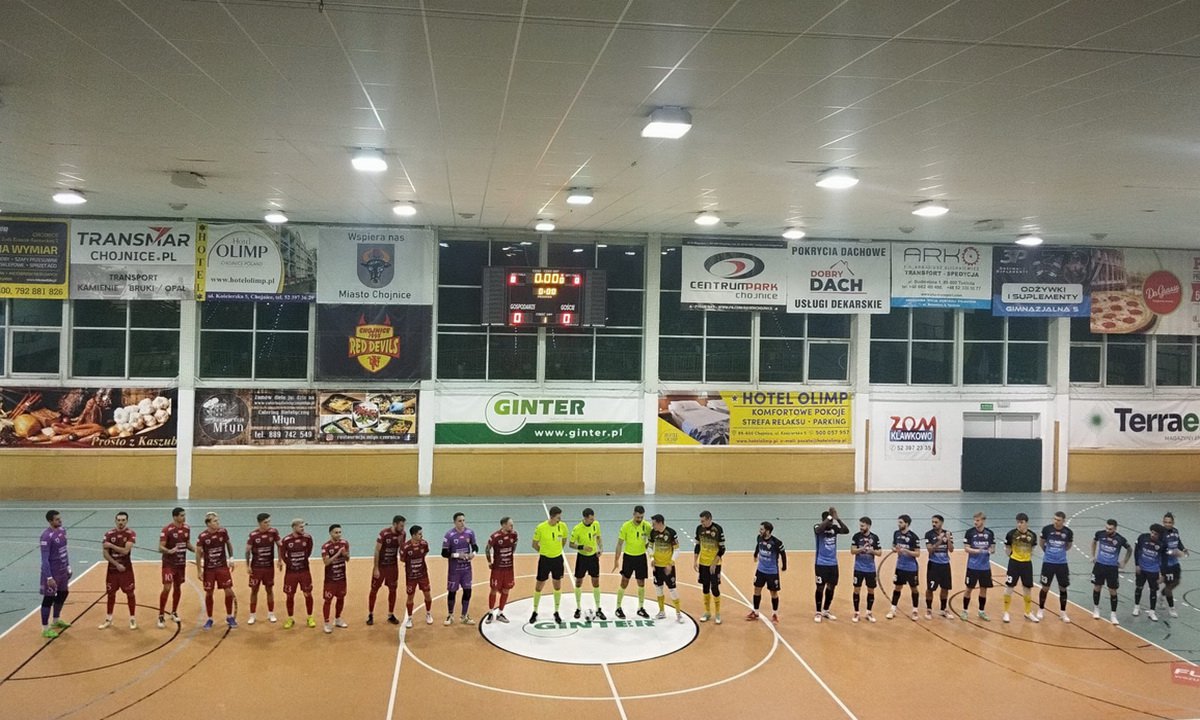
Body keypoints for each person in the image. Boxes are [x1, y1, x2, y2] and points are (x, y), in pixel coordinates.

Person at [196, 512, 237, 630]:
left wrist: (231, 558)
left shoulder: (223, 532)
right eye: (215, 521)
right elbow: (198, 554)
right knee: (209, 593)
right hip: (209, 570)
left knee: (228, 591)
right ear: (208, 524)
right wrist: (199, 570)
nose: (218, 523)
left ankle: (229, 616)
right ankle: (209, 618)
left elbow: (228, 544)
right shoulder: (202, 536)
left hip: (222, 567)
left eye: (218, 520)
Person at [531, 506, 570, 624]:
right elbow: (534, 544)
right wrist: (544, 552)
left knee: (557, 585)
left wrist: (556, 550)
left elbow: (564, 540)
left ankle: (556, 611)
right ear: (552, 517)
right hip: (544, 560)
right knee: (539, 586)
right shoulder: (541, 527)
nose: (560, 519)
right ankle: (535, 611)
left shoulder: (562, 526)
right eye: (558, 517)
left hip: (557, 559)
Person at [612, 505, 653, 620]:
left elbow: (651, 542)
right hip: (628, 557)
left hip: (641, 557)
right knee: (624, 581)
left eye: (641, 517)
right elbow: (619, 544)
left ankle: (640, 608)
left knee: (641, 583)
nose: (639, 519)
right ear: (633, 514)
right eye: (638, 517)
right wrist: (616, 560)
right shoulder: (626, 526)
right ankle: (618, 607)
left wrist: (651, 556)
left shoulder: (647, 526)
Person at [157, 506, 194, 629]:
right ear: (175, 517)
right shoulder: (167, 530)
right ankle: (161, 615)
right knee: (167, 588)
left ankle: (174, 612)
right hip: (169, 564)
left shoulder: (187, 528)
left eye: (184, 515)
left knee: (178, 587)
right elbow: (160, 547)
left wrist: (196, 551)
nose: (184, 517)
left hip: (181, 564)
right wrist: (169, 551)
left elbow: (187, 543)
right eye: (182, 515)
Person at [1090, 518, 1132, 625]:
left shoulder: (1120, 539)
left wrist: (1124, 562)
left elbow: (1129, 549)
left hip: (1112, 568)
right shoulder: (1100, 534)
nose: (1108, 530)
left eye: (1110, 529)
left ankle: (1113, 615)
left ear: (1115, 529)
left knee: (1112, 591)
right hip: (1099, 565)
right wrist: (1093, 555)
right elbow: (1094, 542)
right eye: (1107, 528)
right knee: (1097, 587)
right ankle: (1096, 609)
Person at [100, 511, 137, 629]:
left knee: (130, 593)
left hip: (126, 570)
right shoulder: (108, 534)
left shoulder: (131, 534)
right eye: (119, 520)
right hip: (112, 570)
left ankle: (132, 618)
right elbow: (105, 554)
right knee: (111, 594)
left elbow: (125, 551)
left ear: (127, 521)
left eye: (123, 520)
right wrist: (116, 564)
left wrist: (111, 546)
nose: (121, 522)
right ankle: (108, 619)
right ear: (115, 521)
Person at [812, 507, 849, 623]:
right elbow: (819, 530)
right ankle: (818, 612)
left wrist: (838, 519)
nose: (831, 523)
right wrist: (828, 518)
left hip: (833, 564)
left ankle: (826, 610)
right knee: (820, 587)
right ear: (825, 520)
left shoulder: (834, 528)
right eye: (829, 521)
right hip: (821, 563)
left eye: (832, 521)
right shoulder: (818, 527)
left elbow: (846, 530)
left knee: (831, 587)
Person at [368, 515, 406, 626]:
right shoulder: (384, 534)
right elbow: (377, 550)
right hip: (381, 566)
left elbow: (402, 552)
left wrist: (401, 544)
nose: (403, 528)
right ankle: (370, 614)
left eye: (403, 526)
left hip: (392, 567)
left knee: (393, 590)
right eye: (401, 526)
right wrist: (376, 568)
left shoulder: (402, 534)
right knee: (374, 590)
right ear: (394, 524)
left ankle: (390, 614)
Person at [39, 510, 72, 639]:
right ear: (50, 521)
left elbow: (64, 551)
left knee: (63, 593)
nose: (60, 520)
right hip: (52, 573)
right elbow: (44, 559)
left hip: (62, 571)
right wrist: (49, 577)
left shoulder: (62, 531)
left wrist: (68, 566)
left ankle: (56, 620)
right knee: (48, 599)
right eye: (57, 519)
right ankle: (45, 628)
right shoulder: (46, 536)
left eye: (60, 518)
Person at [441, 512, 478, 625]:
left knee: (468, 591)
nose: (462, 523)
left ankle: (464, 616)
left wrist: (473, 554)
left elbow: (475, 547)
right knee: (452, 592)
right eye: (460, 521)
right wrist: (458, 555)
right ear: (455, 522)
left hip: (466, 569)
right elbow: (444, 553)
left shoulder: (470, 533)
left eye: (463, 520)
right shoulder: (449, 535)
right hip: (454, 570)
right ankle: (450, 615)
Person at [245, 512, 281, 625]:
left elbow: (280, 545)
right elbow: (247, 551)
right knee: (254, 590)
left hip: (269, 567)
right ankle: (252, 615)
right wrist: (247, 566)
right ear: (260, 523)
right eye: (266, 522)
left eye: (269, 522)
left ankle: (271, 613)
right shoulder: (253, 535)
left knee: (269, 589)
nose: (268, 524)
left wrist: (280, 560)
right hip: (256, 568)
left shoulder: (273, 532)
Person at [1002, 513, 1038, 623]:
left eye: (1021, 522)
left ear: (1026, 523)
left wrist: (1026, 557)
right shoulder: (1011, 534)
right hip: (1014, 563)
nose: (1019, 524)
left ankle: (1028, 612)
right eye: (1018, 522)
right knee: (1010, 587)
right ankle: (1006, 612)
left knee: (1027, 588)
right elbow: (1007, 548)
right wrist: (1013, 557)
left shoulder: (1032, 535)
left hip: (1027, 564)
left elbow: (1033, 549)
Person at [648, 514, 685, 623]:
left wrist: (670, 563)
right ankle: (661, 612)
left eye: (654, 523)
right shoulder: (653, 533)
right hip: (657, 567)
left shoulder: (671, 533)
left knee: (672, 589)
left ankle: (678, 614)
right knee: (658, 588)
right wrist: (651, 558)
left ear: (660, 523)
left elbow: (677, 550)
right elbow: (649, 547)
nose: (652, 526)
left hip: (668, 567)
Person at [280, 518, 316, 629]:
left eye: (303, 526)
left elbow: (309, 551)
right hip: (291, 573)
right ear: (294, 527)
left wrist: (301, 561)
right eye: (301, 527)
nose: (303, 528)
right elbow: (283, 554)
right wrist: (291, 564)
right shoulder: (286, 540)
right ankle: (290, 618)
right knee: (290, 595)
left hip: (304, 571)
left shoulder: (307, 538)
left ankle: (310, 617)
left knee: (308, 594)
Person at [1038, 511, 1073, 622]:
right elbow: (1041, 542)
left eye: (1058, 520)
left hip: (1062, 564)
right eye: (1054, 519)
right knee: (1045, 587)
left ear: (1063, 521)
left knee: (1063, 587)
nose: (1056, 522)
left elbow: (1068, 545)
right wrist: (1048, 551)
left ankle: (1063, 612)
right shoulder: (1047, 529)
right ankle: (1041, 609)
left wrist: (1060, 552)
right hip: (1048, 563)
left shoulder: (1068, 532)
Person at [570, 508, 605, 620]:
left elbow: (598, 537)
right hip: (582, 558)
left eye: (593, 518)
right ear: (585, 518)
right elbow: (571, 544)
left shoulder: (596, 524)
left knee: (596, 582)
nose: (593, 520)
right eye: (590, 519)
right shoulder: (577, 529)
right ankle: (578, 608)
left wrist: (600, 548)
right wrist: (582, 547)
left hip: (593, 558)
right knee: (578, 582)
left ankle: (598, 609)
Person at [749, 521, 787, 623]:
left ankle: (775, 614)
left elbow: (783, 554)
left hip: (772, 572)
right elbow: (758, 546)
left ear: (768, 531)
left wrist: (784, 566)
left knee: (773, 593)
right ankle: (756, 612)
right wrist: (755, 554)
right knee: (757, 590)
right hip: (760, 570)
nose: (760, 531)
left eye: (762, 529)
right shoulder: (759, 538)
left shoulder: (776, 542)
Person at [961, 511, 996, 621]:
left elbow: (993, 548)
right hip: (972, 567)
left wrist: (990, 551)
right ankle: (965, 611)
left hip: (985, 567)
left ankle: (981, 611)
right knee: (969, 589)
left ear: (983, 521)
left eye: (977, 520)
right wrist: (978, 551)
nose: (975, 522)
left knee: (983, 589)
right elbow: (966, 548)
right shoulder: (970, 532)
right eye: (974, 520)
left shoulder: (989, 533)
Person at [887, 514, 921, 621]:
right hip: (900, 566)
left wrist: (906, 550)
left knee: (914, 588)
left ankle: (915, 610)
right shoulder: (896, 534)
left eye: (901, 522)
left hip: (911, 568)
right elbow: (893, 546)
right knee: (897, 587)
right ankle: (893, 609)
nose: (898, 524)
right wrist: (894, 549)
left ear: (906, 523)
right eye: (898, 522)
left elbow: (917, 554)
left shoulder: (914, 537)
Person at [693, 510, 725, 624]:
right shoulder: (699, 529)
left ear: (709, 519)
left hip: (715, 565)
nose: (701, 523)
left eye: (703, 521)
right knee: (705, 587)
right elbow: (697, 546)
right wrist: (695, 561)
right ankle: (707, 612)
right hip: (703, 563)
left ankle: (717, 613)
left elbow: (722, 549)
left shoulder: (718, 529)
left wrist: (714, 563)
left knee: (715, 588)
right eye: (701, 521)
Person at [1132, 523, 1167, 621]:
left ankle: (1152, 612)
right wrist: (1137, 564)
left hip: (1153, 571)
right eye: (1152, 532)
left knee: (1153, 590)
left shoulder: (1162, 544)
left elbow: (1164, 560)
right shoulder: (1142, 538)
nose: (1153, 535)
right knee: (1139, 587)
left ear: (1159, 535)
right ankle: (1136, 607)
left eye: (1155, 534)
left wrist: (1163, 574)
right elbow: (1136, 551)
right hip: (1141, 569)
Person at [486, 516, 517, 623]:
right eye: (510, 525)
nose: (512, 526)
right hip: (497, 569)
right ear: (504, 525)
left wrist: (510, 554)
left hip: (509, 568)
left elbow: (514, 545)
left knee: (506, 589)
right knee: (494, 589)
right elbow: (487, 548)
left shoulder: (514, 534)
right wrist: (489, 562)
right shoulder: (495, 536)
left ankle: (500, 613)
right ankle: (490, 612)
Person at [402, 525, 434, 628]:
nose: (422, 535)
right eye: (419, 534)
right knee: (410, 597)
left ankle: (428, 613)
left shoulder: (424, 544)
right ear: (413, 535)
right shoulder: (406, 547)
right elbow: (402, 559)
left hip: (423, 575)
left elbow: (425, 553)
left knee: (427, 594)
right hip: (411, 576)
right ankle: (409, 618)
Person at [850, 517, 881, 623]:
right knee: (856, 589)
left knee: (871, 590)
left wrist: (872, 551)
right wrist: (862, 549)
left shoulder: (875, 537)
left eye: (862, 526)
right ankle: (856, 612)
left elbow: (879, 552)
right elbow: (852, 551)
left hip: (870, 569)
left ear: (868, 526)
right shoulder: (856, 536)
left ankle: (869, 612)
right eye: (860, 525)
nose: (861, 527)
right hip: (858, 568)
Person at [321, 523, 351, 633]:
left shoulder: (344, 543)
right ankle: (326, 623)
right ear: (330, 533)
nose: (338, 534)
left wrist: (345, 554)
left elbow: (347, 559)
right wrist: (338, 553)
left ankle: (338, 619)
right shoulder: (326, 546)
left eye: (340, 532)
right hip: (330, 579)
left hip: (342, 578)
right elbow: (326, 562)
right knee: (328, 601)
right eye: (336, 532)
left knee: (341, 598)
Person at [924, 514, 953, 619]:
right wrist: (940, 540)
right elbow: (930, 550)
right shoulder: (928, 534)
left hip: (945, 565)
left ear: (941, 523)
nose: (934, 524)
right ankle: (929, 610)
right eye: (933, 522)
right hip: (933, 565)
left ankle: (943, 609)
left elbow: (951, 549)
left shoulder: (948, 533)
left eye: (936, 522)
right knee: (930, 589)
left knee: (945, 588)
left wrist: (948, 540)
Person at [1160, 512, 1190, 618]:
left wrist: (1183, 549)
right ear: (1163, 522)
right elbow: (1161, 549)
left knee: (1176, 582)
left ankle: (1162, 594)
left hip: (1175, 563)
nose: (1167, 524)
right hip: (1166, 564)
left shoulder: (1175, 531)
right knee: (1169, 587)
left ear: (1173, 523)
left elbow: (1178, 542)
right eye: (1165, 522)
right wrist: (1173, 552)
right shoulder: (1161, 534)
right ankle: (1172, 608)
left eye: (1169, 522)